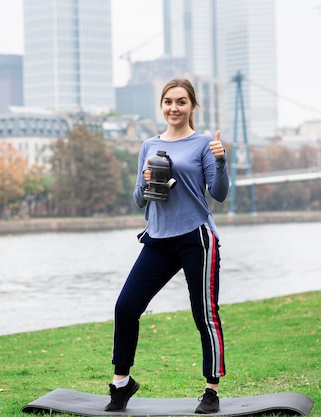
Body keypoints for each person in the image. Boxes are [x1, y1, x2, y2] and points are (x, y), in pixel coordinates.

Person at [105, 78, 229, 414]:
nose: (174, 108)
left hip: (196, 238)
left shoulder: (203, 143)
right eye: (168, 102)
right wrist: (145, 182)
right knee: (126, 307)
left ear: (192, 106)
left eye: (181, 102)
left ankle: (211, 390)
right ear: (161, 106)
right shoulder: (148, 144)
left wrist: (220, 161)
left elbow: (217, 193)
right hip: (157, 238)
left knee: (205, 314)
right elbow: (137, 201)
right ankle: (121, 385)